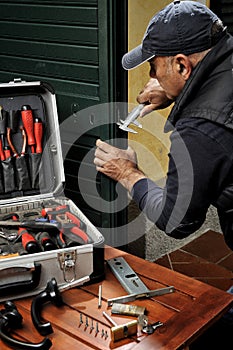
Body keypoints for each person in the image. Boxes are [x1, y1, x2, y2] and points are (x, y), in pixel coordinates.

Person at [94, 0, 233, 250]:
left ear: (182, 65)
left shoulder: (200, 129)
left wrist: (127, 172)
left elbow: (177, 222)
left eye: (153, 68)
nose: (152, 78)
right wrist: (176, 90)